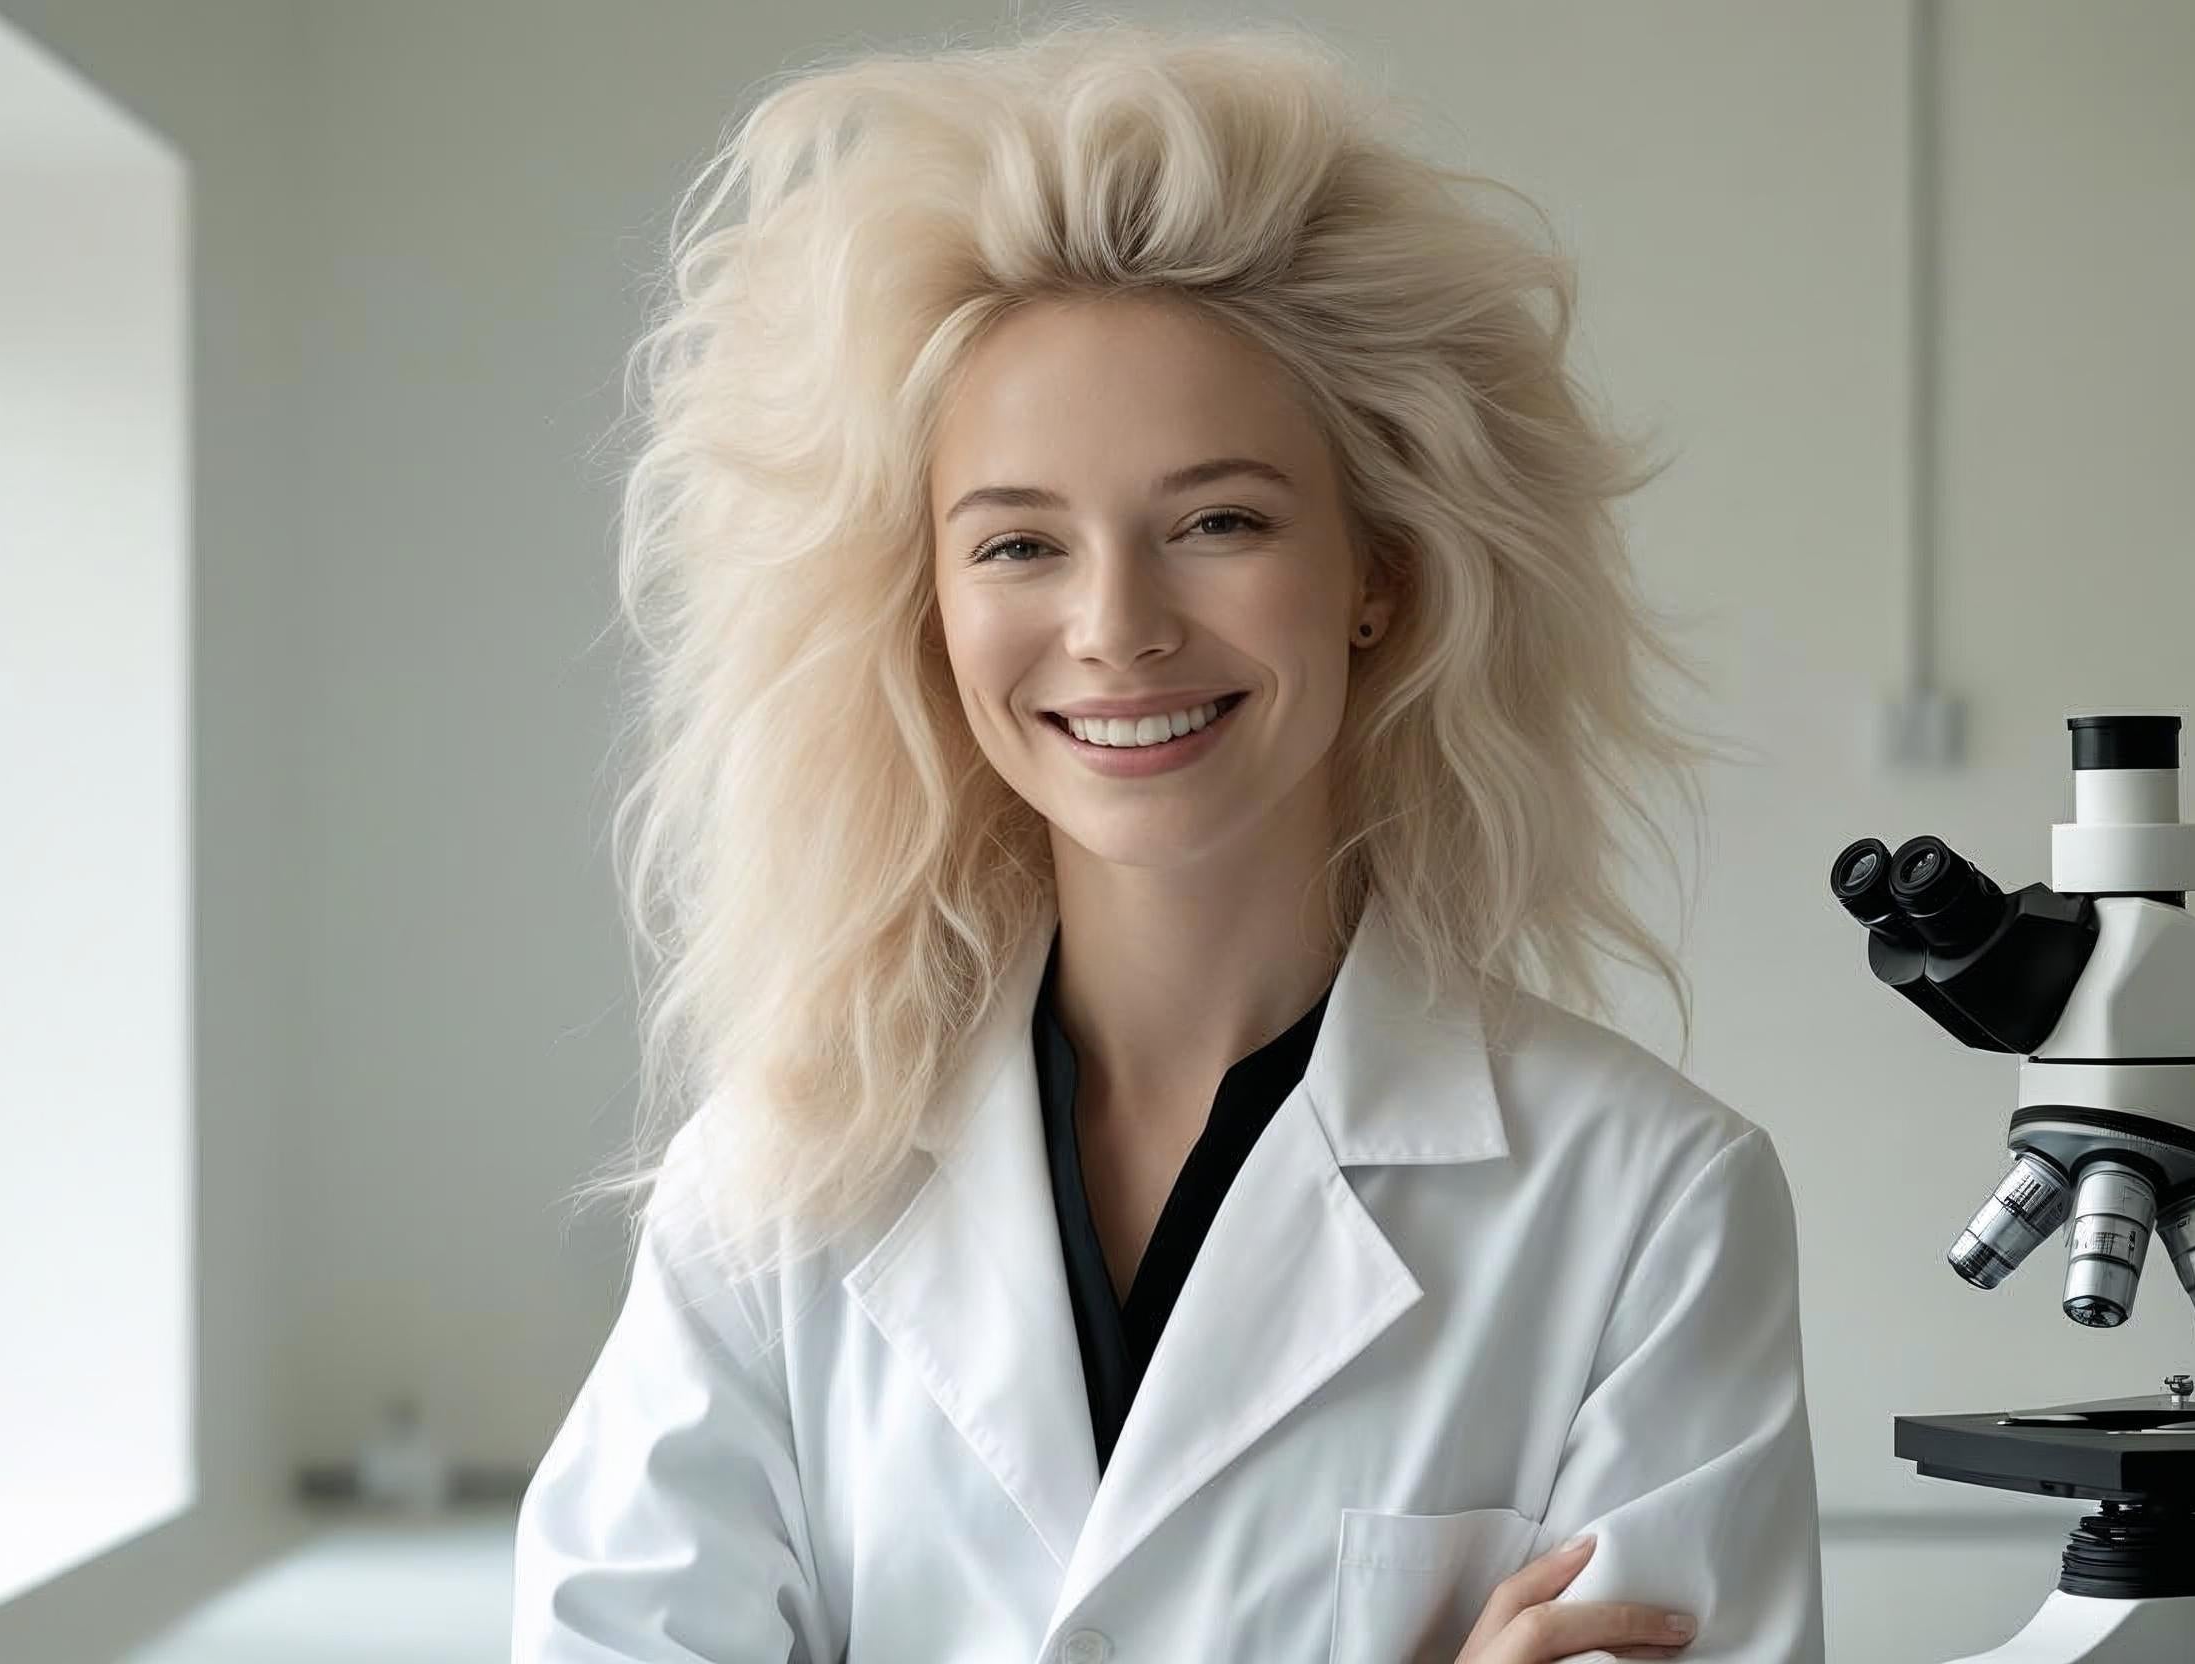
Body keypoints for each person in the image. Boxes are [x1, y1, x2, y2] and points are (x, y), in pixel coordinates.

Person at [517, 16, 1823, 1663]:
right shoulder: (770, 1195)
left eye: (1220, 522)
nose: (1118, 628)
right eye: (1018, 544)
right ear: (926, 605)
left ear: (1380, 576)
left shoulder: (1648, 1204)